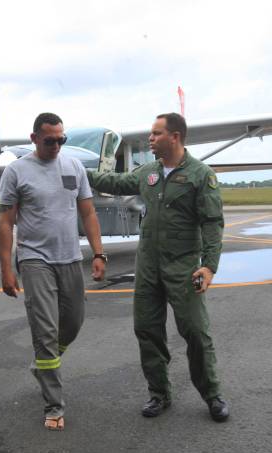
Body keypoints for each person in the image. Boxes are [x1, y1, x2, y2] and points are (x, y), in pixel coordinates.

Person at [89, 113, 230, 422]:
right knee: (147, 330)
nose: (150, 139)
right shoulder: (148, 173)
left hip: (183, 267)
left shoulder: (200, 175)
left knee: (195, 331)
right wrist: (80, 172)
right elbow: (115, 183)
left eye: (155, 134)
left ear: (175, 137)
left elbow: (212, 223)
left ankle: (212, 394)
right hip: (148, 267)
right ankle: (159, 394)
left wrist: (209, 267)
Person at [0, 112, 105, 431]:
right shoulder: (16, 172)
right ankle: (54, 403)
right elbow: (5, 223)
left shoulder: (74, 167)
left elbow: (88, 212)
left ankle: (44, 364)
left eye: (61, 140)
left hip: (70, 257)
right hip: (35, 259)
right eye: (50, 140)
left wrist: (99, 253)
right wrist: (7, 269)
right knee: (45, 331)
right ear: (34, 139)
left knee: (72, 323)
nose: (56, 145)